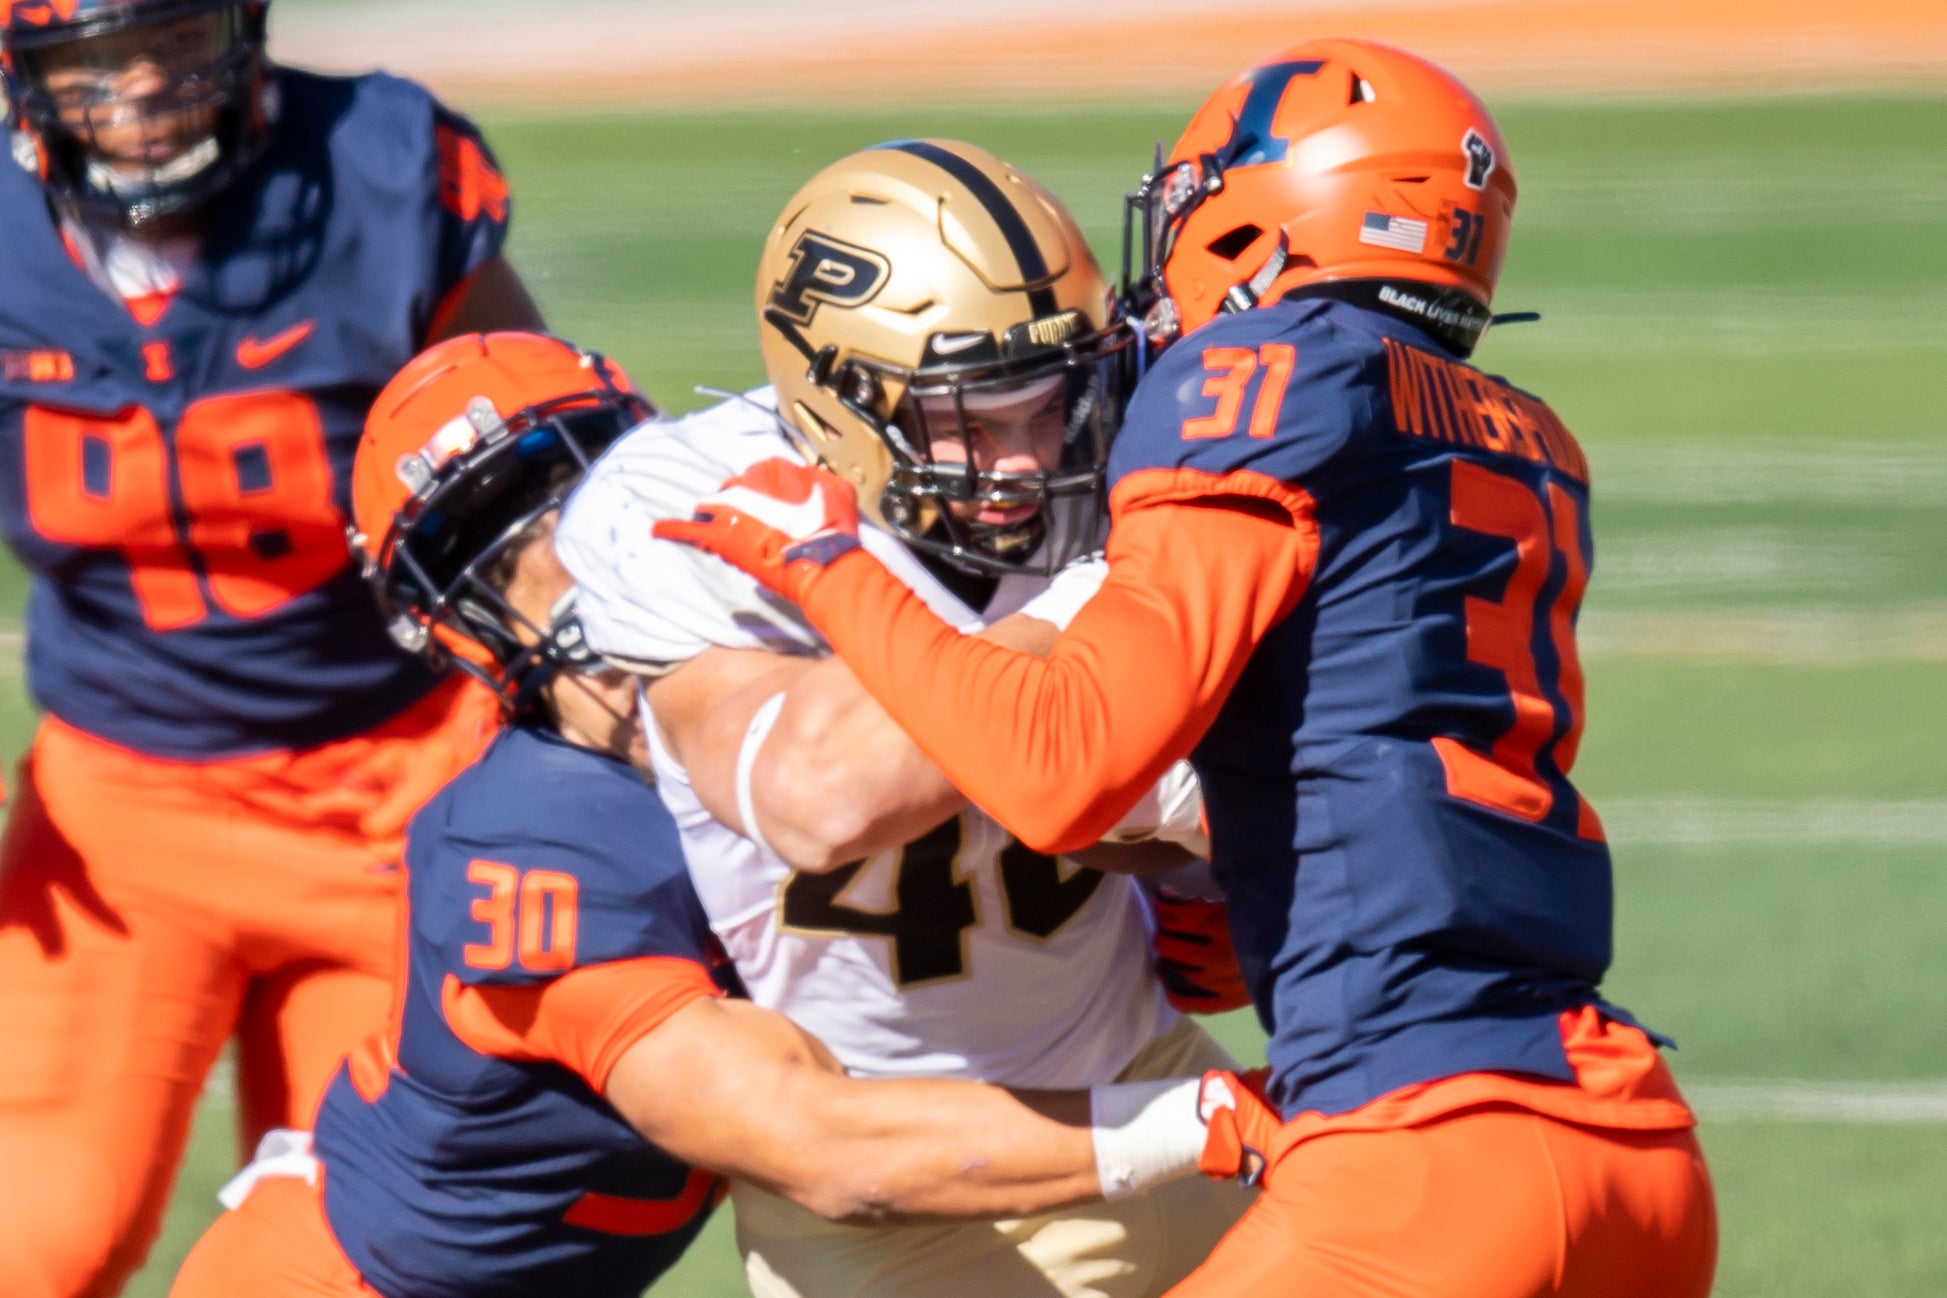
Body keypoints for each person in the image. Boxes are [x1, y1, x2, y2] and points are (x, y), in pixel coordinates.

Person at [654, 42, 1719, 1298]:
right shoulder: (1527, 435)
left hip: (1424, 1160)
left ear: (1263, 227)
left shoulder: (1252, 374)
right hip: (1631, 1140)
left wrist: (831, 563)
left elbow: (1059, 768)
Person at [168, 330, 1254, 1298]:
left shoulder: (763, 679)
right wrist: (1193, 1118)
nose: (563, 557)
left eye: (578, 490)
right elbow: (821, 1146)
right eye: (500, 549)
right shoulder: (538, 836)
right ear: (454, 622)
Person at [553, 139, 1252, 1298]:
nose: (1030, 462)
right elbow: (821, 800)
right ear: (837, 403)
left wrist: (1195, 854)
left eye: (1054, 401)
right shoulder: (688, 506)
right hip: (916, 1194)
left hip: (1157, 1074)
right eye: (975, 419)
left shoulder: (1098, 455)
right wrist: (1108, 601)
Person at [0, 2, 542, 1292]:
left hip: (398, 798)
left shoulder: (383, 163)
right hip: (118, 809)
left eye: (173, 38)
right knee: (38, 1238)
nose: (139, 86)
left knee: (323, 1263)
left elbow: (535, 429)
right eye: (89, 62)